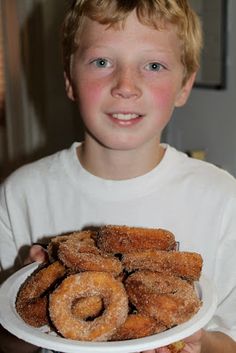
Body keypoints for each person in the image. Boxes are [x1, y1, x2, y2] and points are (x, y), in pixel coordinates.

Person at [0, 0, 236, 352]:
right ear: (69, 78)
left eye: (153, 65)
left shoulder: (221, 198)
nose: (126, 85)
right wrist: (25, 313)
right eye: (102, 62)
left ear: (185, 84)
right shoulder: (21, 195)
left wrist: (200, 345)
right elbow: (6, 342)